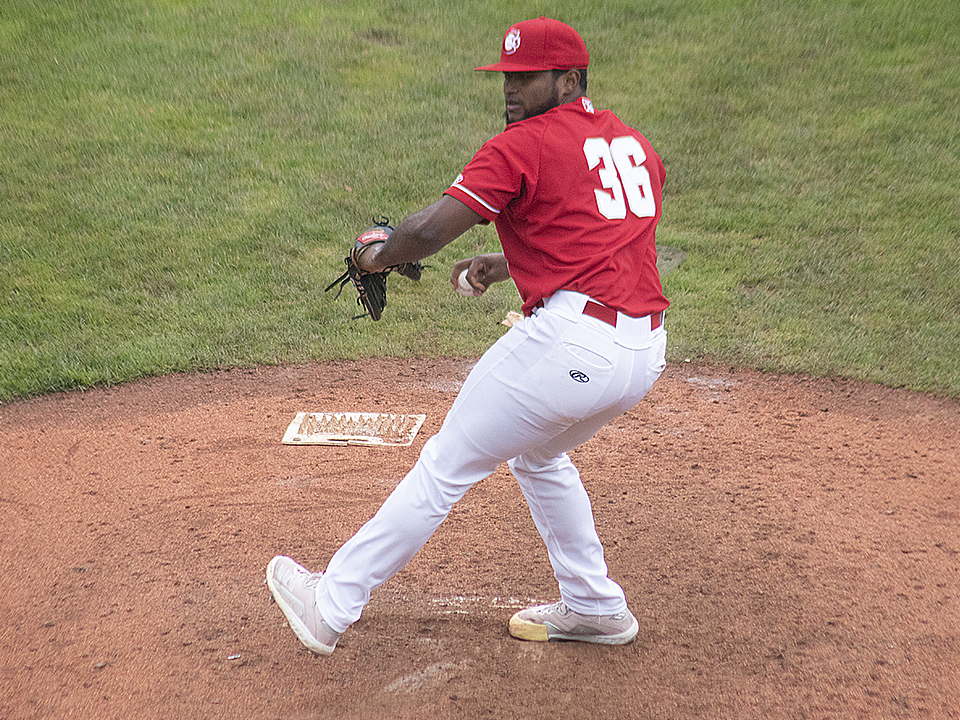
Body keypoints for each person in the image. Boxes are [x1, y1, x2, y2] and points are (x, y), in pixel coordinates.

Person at [266, 16, 669, 655]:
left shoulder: (521, 145)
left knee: (445, 464)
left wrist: (376, 255)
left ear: (569, 80)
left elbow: (428, 231)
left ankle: (330, 604)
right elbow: (606, 235)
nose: (510, 89)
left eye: (526, 77)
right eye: (506, 76)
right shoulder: (632, 144)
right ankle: (595, 606)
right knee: (539, 455)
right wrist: (510, 264)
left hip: (571, 347)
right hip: (642, 355)